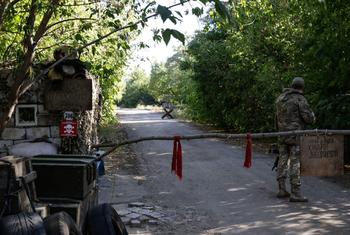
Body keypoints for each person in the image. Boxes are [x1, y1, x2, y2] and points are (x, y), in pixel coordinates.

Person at [275, 77, 315, 202]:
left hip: (281, 134)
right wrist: (313, 117)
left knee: (282, 160)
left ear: (292, 85)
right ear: (302, 87)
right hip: (295, 136)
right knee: (295, 163)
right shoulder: (300, 99)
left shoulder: (280, 98)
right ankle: (295, 193)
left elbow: (275, 117)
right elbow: (309, 118)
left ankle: (281, 189)